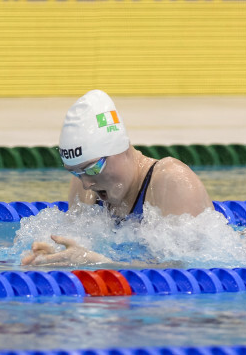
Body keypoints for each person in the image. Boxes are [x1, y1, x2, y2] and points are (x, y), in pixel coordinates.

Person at [21, 90, 213, 266]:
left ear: (120, 149)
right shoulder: (84, 187)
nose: (86, 184)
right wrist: (56, 257)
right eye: (75, 172)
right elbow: (82, 252)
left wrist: (100, 263)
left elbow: (186, 271)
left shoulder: (172, 182)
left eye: (93, 168)